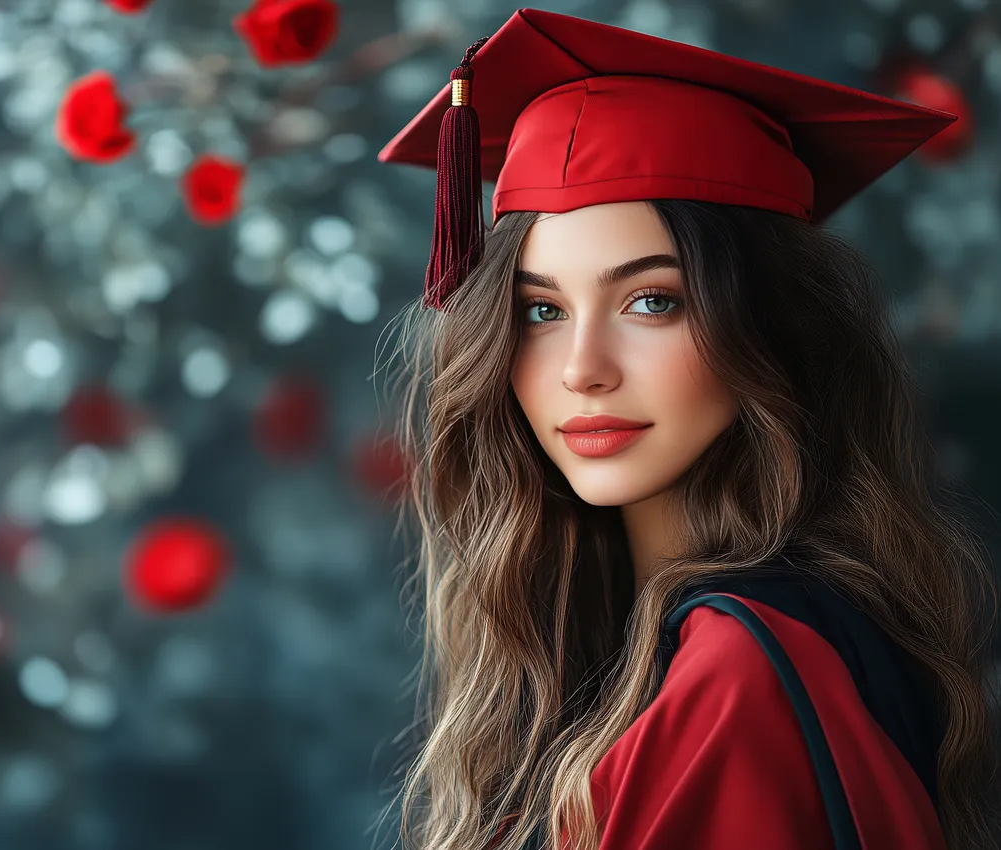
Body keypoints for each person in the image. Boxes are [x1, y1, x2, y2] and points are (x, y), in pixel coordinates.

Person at [376, 9, 1000, 850]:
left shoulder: (737, 674)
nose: (581, 368)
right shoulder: (650, 650)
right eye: (541, 309)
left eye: (651, 301)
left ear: (769, 331)